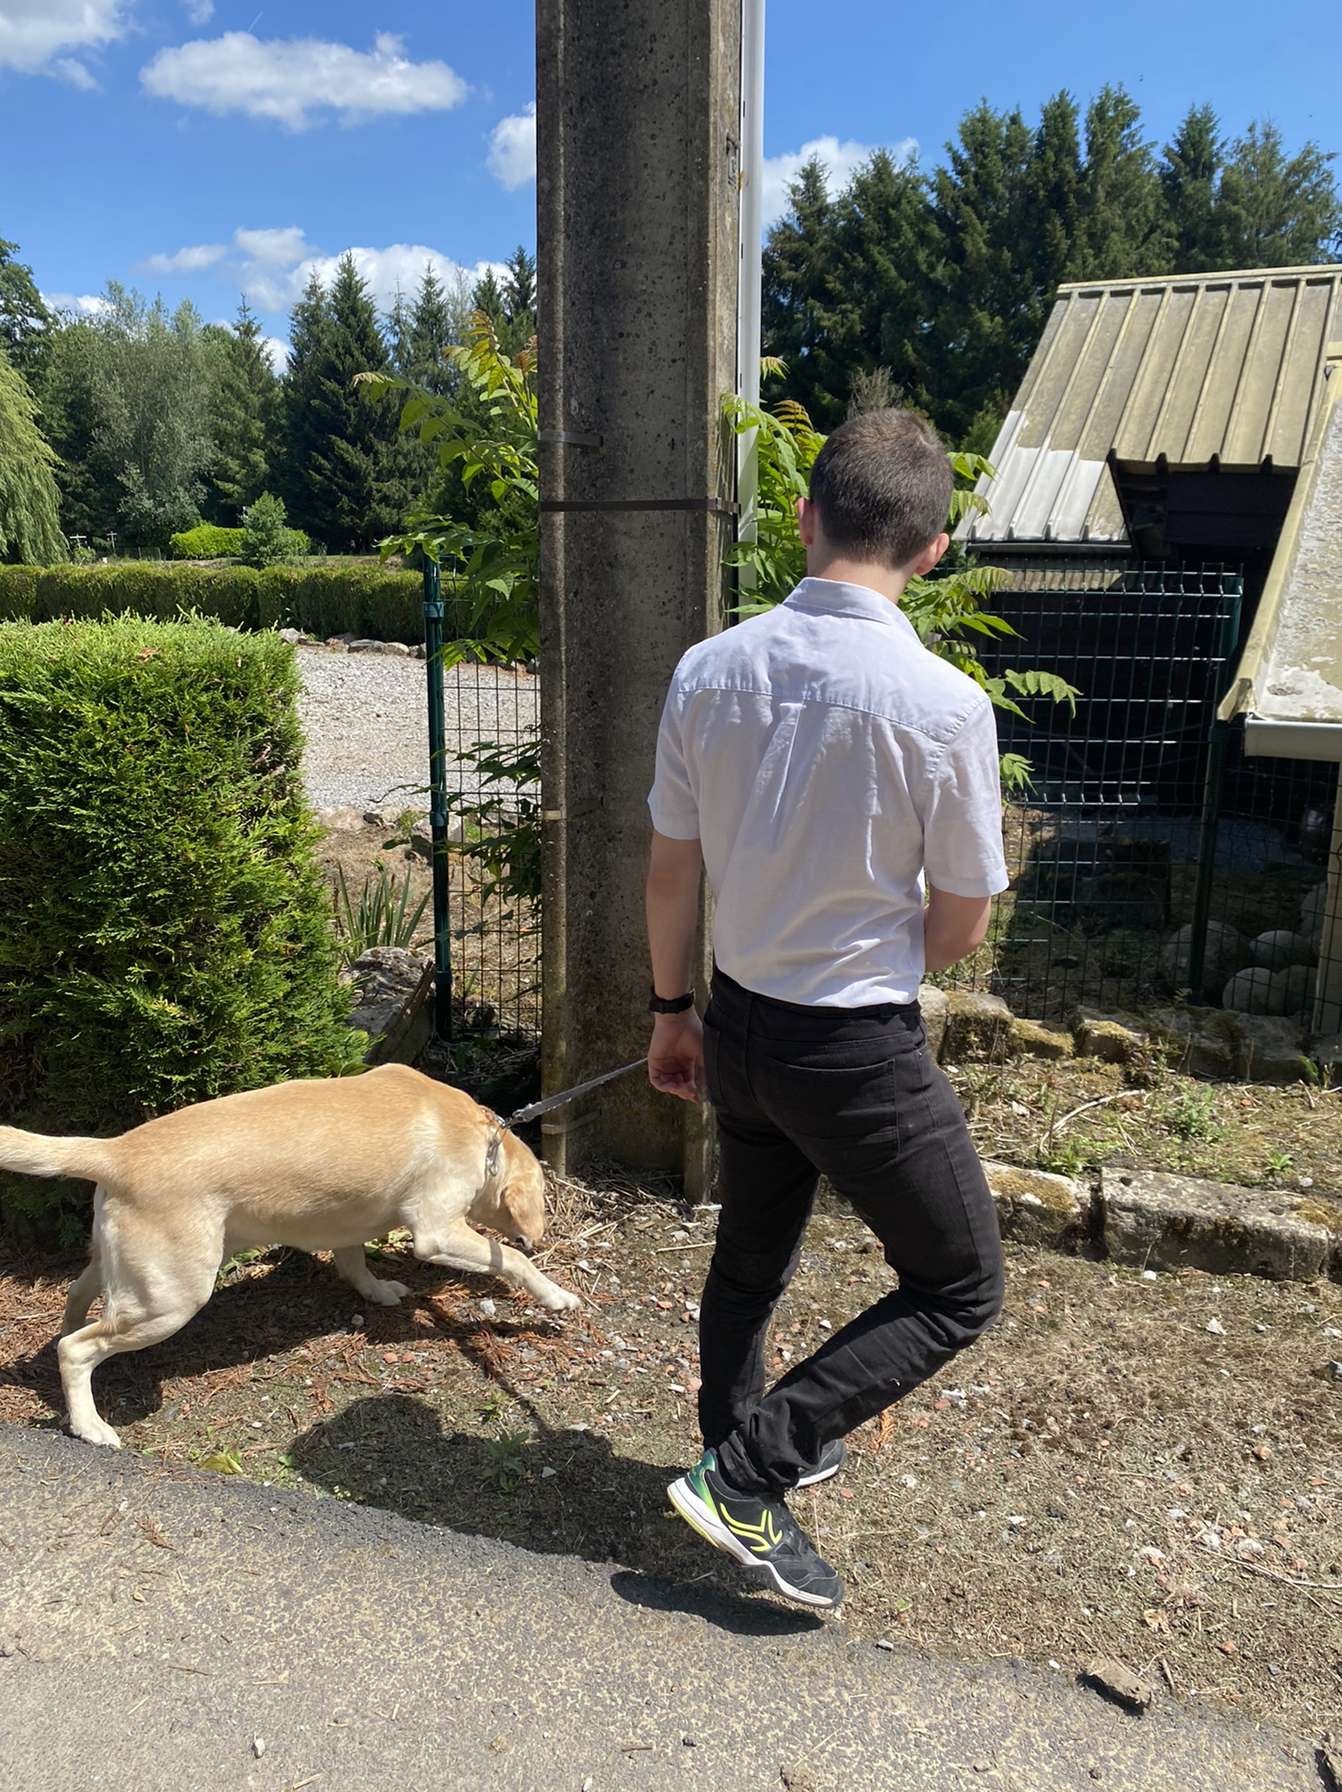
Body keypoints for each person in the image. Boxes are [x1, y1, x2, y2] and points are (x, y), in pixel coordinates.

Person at [643, 408, 1008, 1610]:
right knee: (959, 1283)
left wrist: (669, 1011)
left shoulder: (710, 668)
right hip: (850, 1043)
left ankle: (727, 1441)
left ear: (806, 519)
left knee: (752, 1250)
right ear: (933, 548)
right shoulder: (947, 706)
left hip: (736, 1021)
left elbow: (669, 868)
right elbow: (958, 927)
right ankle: (749, 1473)